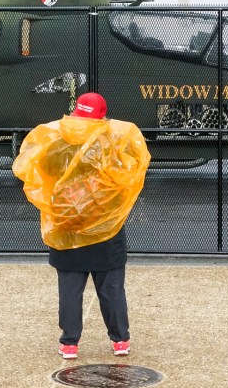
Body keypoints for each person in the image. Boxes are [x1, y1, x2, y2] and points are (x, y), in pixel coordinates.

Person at [13, 92, 151, 360]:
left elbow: (42, 169)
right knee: (111, 288)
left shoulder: (57, 139)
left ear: (76, 111)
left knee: (70, 290)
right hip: (105, 226)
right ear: (102, 114)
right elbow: (130, 171)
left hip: (67, 223)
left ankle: (69, 343)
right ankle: (120, 340)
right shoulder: (113, 139)